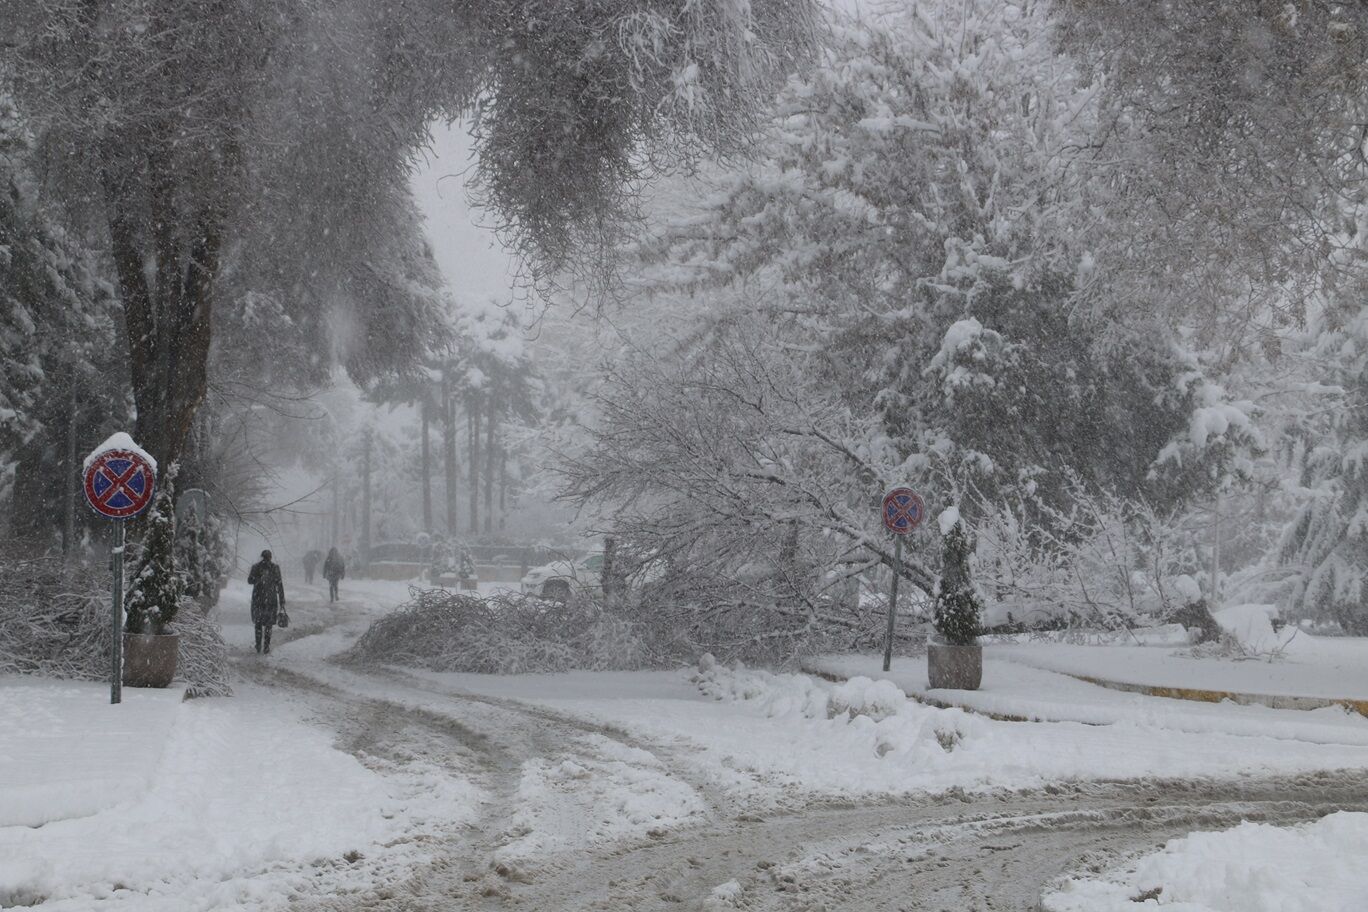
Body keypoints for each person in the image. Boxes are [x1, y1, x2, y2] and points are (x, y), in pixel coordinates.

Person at [248, 549, 286, 655]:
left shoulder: (256, 567)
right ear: (270, 557)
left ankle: (259, 645)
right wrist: (282, 600)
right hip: (270, 600)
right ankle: (266, 646)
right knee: (268, 625)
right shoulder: (275, 568)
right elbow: (279, 585)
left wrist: (257, 579)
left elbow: (250, 580)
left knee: (258, 624)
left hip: (258, 600)